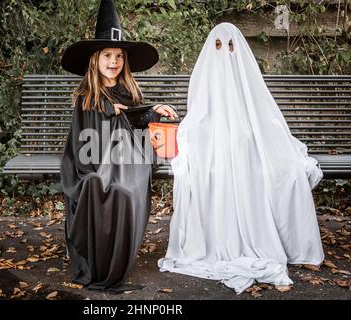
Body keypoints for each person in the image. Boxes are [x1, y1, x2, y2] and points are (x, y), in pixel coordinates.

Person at [158, 22, 325, 294]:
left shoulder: (247, 85)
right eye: (219, 46)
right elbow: (196, 120)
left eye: (232, 45)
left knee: (273, 166)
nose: (225, 53)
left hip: (248, 157)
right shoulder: (206, 83)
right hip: (215, 155)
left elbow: (266, 123)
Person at [60, 0, 177, 292]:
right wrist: (108, 115)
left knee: (124, 191)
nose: (114, 62)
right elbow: (81, 138)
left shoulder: (128, 90)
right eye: (107, 56)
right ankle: (101, 260)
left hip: (128, 164)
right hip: (93, 161)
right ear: (95, 60)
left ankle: (117, 257)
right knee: (99, 186)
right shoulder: (87, 96)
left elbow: (137, 118)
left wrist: (154, 111)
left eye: (119, 56)